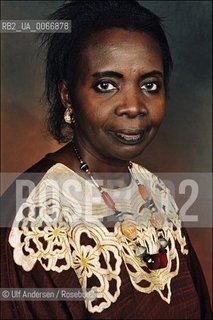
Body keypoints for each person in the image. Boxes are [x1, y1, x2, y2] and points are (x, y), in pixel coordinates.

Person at [0, 1, 211, 319]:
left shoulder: (151, 189)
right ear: (67, 95)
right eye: (106, 85)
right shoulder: (33, 219)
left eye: (150, 85)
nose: (133, 106)